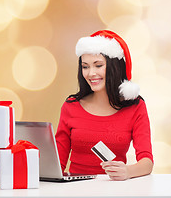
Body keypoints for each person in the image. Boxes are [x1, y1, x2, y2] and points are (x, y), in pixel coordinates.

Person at [55, 30, 153, 181]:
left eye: (98, 65)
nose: (90, 73)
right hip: (74, 190)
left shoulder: (136, 106)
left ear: (115, 67)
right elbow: (57, 164)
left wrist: (127, 171)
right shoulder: (71, 106)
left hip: (113, 189)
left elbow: (146, 162)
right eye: (85, 66)